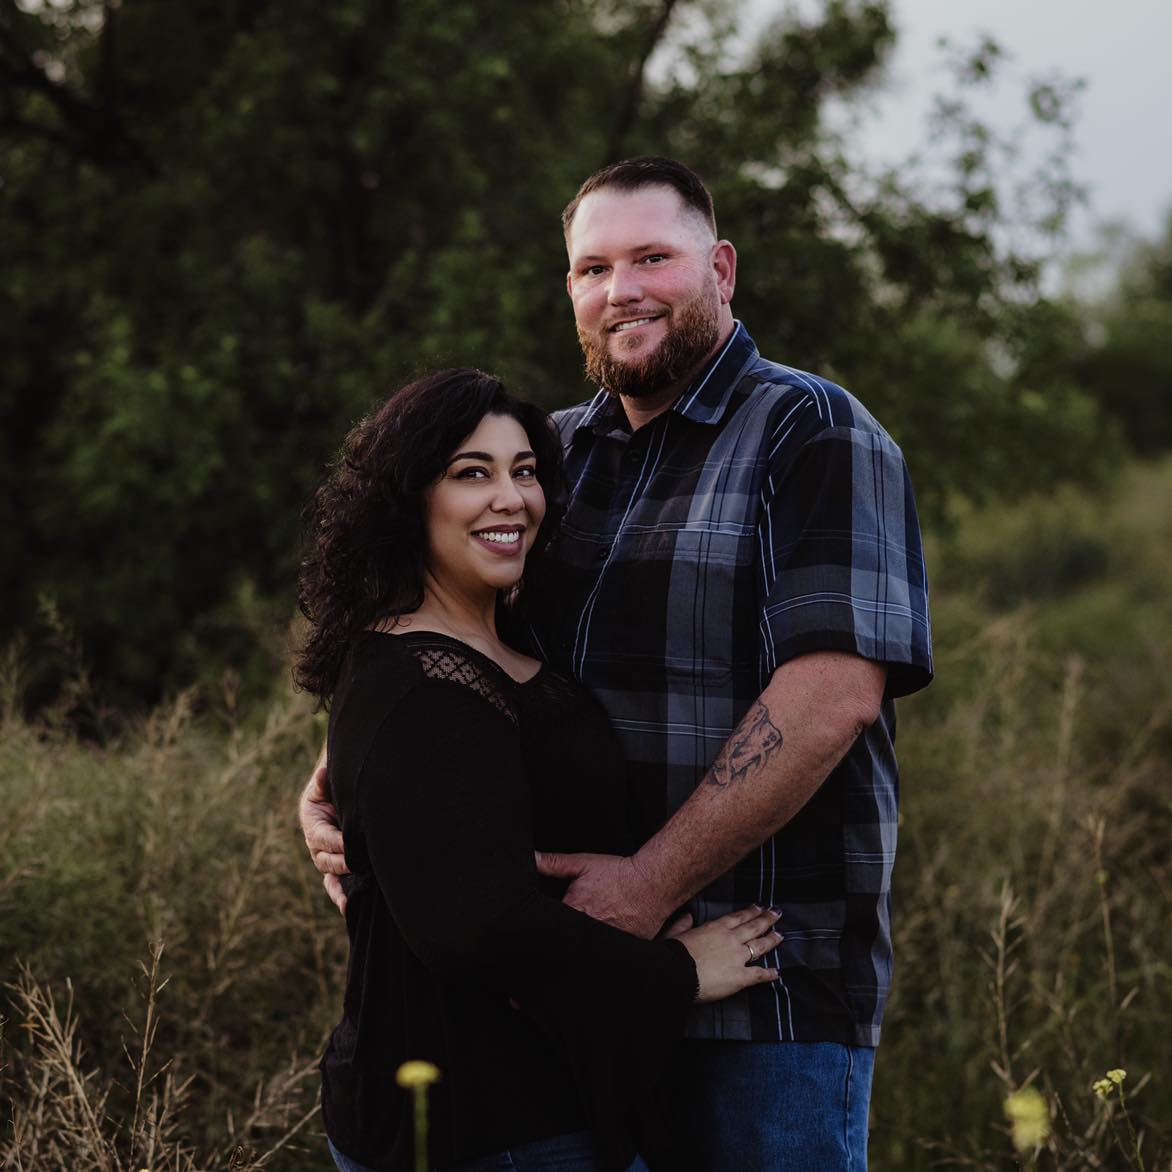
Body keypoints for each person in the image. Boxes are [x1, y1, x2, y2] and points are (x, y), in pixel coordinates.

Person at [302, 158, 934, 1170]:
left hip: (760, 981)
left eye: (652, 257)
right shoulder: (551, 456)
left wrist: (642, 889)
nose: (619, 289)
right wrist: (338, 789)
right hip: (567, 995)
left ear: (719, 269)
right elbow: (446, 654)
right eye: (591, 267)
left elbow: (830, 696)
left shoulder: (810, 431)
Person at [296, 367, 784, 1172]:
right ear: (407, 500)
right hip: (479, 1124)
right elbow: (477, 925)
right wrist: (676, 974)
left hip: (544, 1104)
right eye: (471, 474)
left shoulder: (499, 642)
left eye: (524, 471)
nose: (510, 499)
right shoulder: (419, 679)